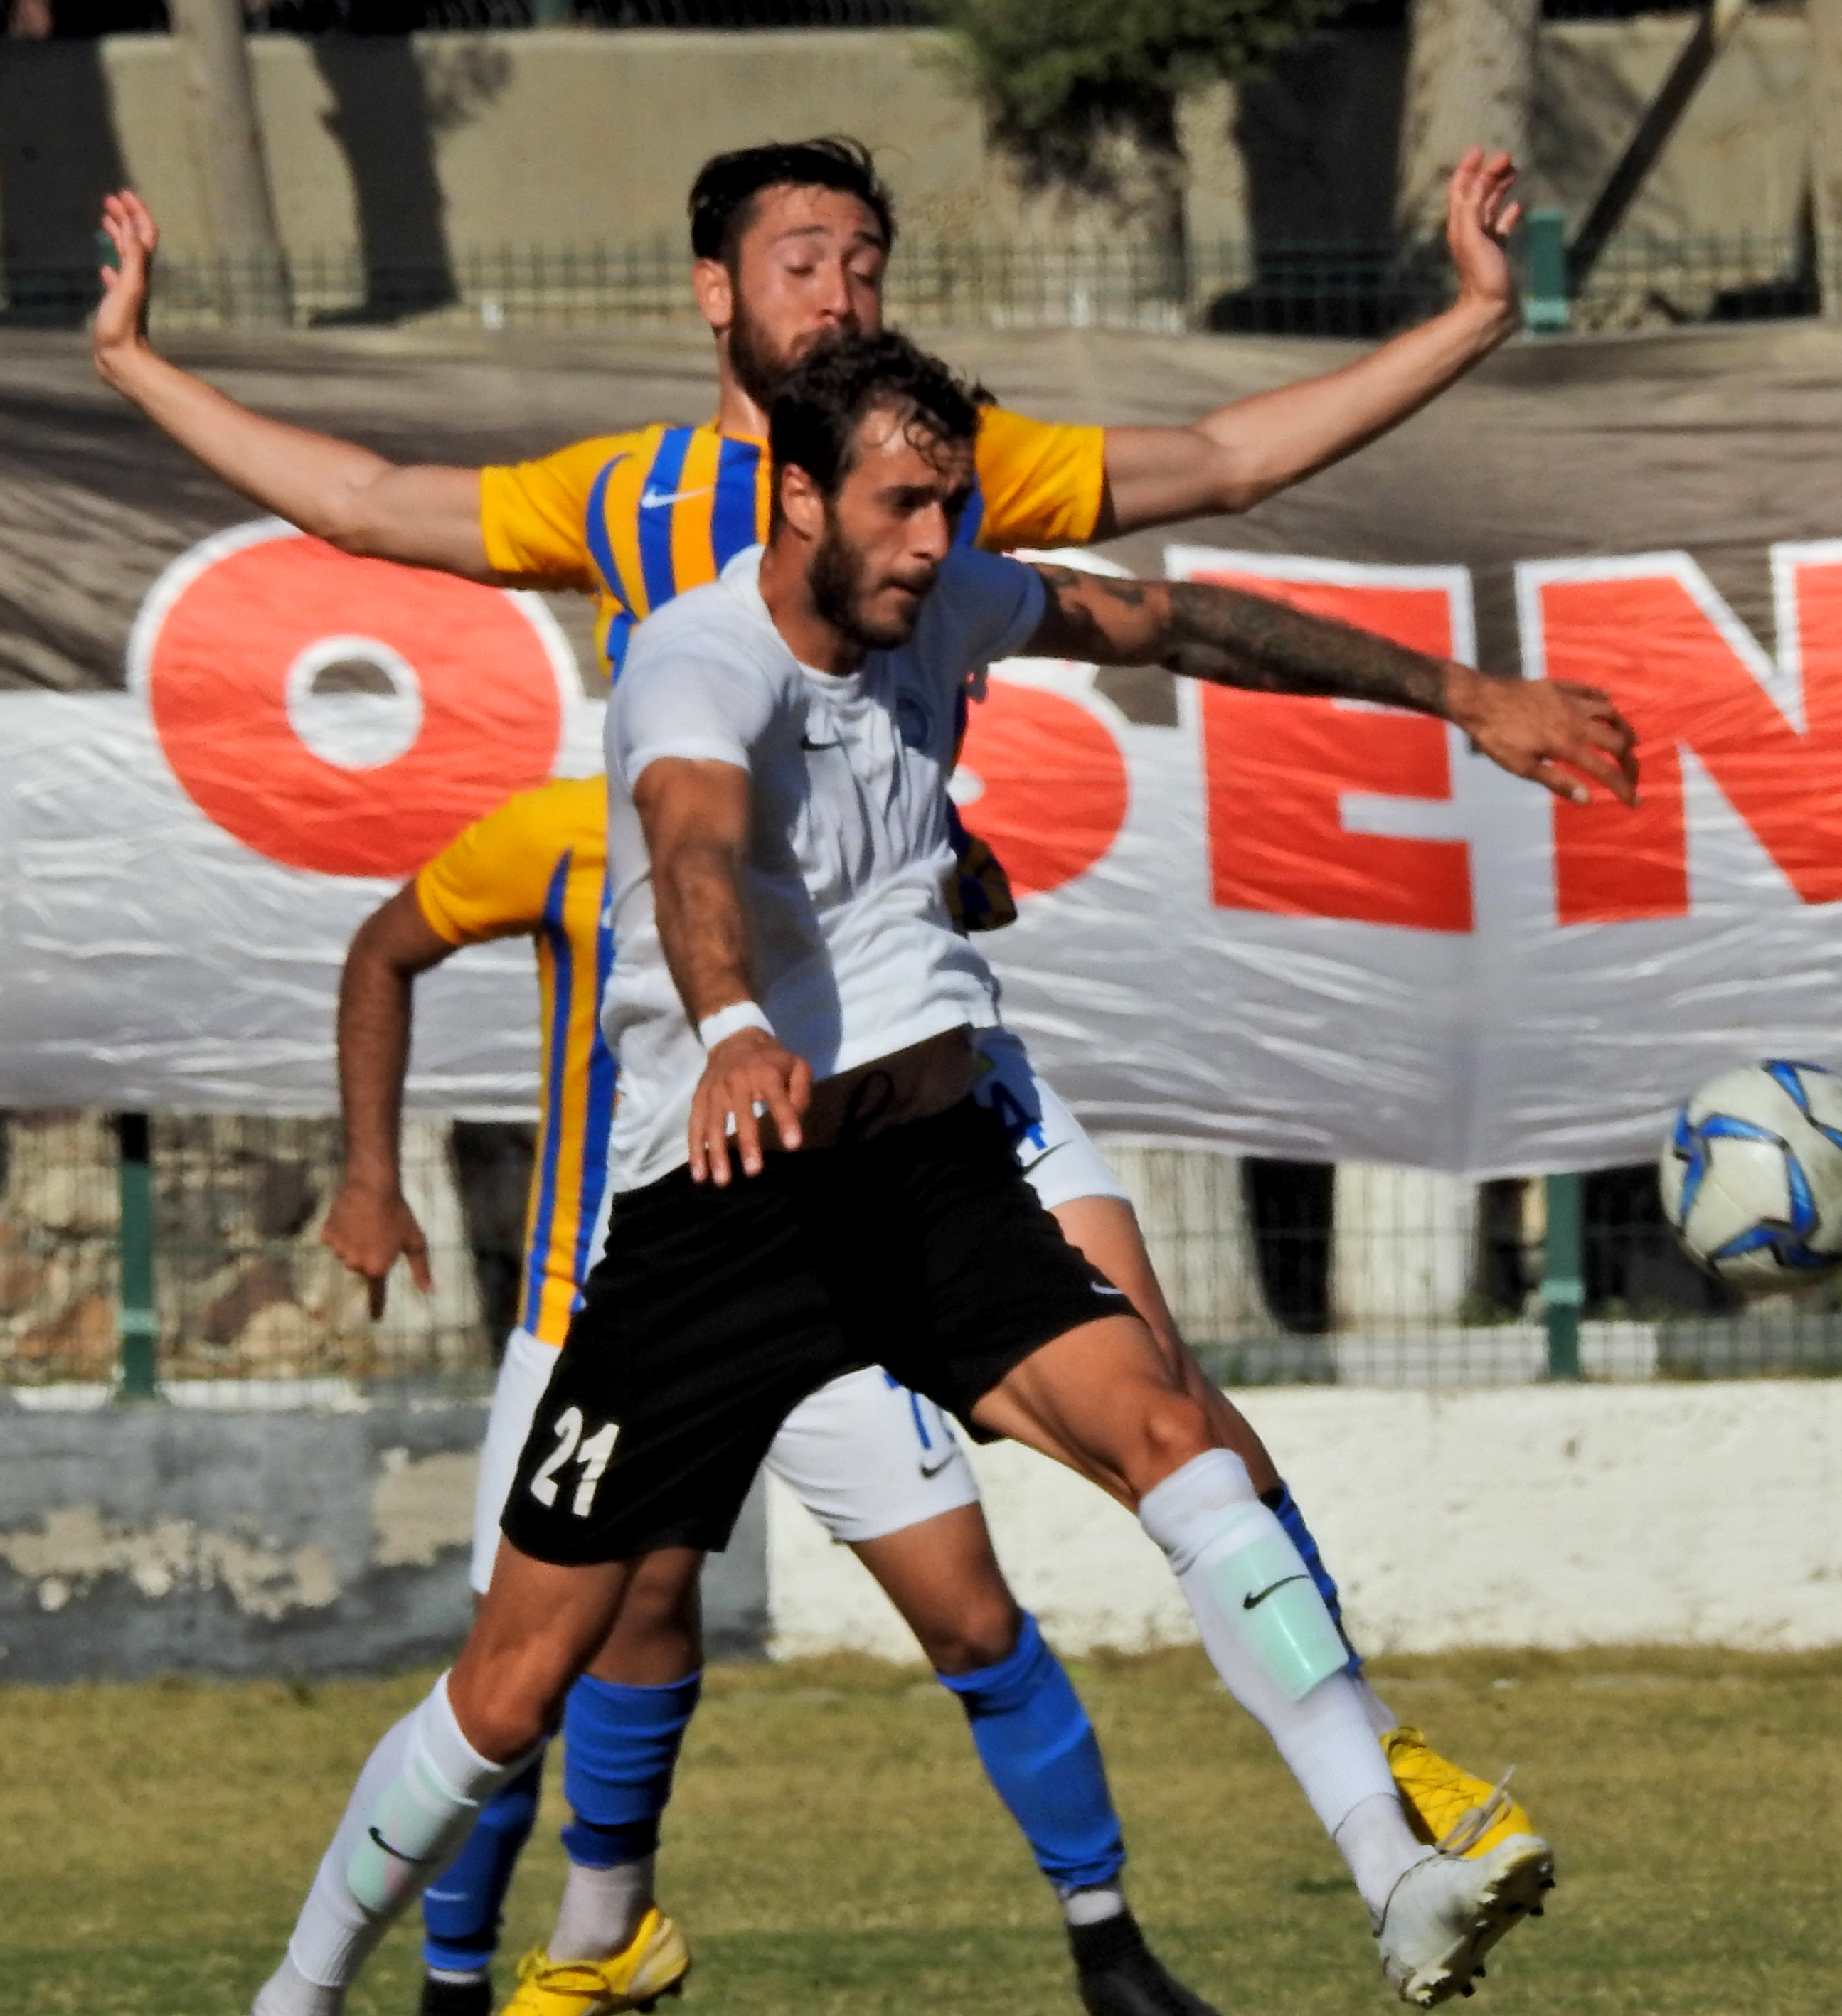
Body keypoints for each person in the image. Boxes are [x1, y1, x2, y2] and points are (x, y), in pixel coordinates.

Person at [96, 138, 1552, 2016]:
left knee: (1165, 1427)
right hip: (715, 1196)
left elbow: (1175, 600)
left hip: (922, 1151)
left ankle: (1385, 1855)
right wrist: (727, 1023)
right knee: (517, 1681)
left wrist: (1459, 689)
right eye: (806, 257)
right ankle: (311, 1993)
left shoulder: (941, 545)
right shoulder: (688, 639)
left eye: (868, 257)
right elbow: (682, 827)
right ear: (787, 465)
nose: (943, 538)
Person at [327, 773, 1234, 2016]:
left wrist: (933, 847)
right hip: (595, 1316)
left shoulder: (837, 815)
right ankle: (473, 1982)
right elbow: (382, 950)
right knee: (512, 1674)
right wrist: (370, 1174)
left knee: (971, 1622)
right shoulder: (554, 833)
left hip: (833, 1299)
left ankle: (1111, 1952)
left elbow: (982, 905)